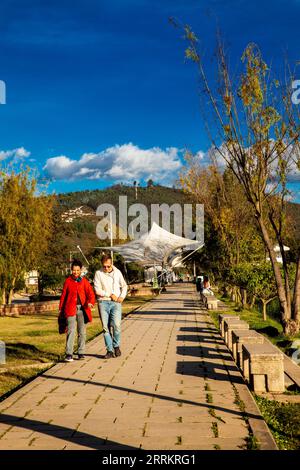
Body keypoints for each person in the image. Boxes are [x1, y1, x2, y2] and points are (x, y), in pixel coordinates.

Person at [59, 259, 95, 362]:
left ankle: (81, 352)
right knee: (71, 330)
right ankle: (69, 354)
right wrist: (61, 309)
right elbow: (63, 296)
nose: (76, 272)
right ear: (71, 270)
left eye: (78, 270)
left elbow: (91, 294)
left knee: (82, 332)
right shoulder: (68, 281)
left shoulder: (84, 281)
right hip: (70, 309)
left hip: (82, 309)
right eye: (74, 270)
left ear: (81, 270)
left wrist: (90, 302)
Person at [94, 254, 128, 359]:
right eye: (104, 266)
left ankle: (116, 346)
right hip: (103, 302)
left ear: (111, 264)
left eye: (108, 266)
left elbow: (124, 286)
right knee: (105, 327)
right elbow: (97, 290)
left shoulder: (117, 272)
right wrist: (110, 294)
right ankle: (109, 350)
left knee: (116, 326)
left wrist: (122, 296)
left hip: (116, 303)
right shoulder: (98, 273)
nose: (106, 268)